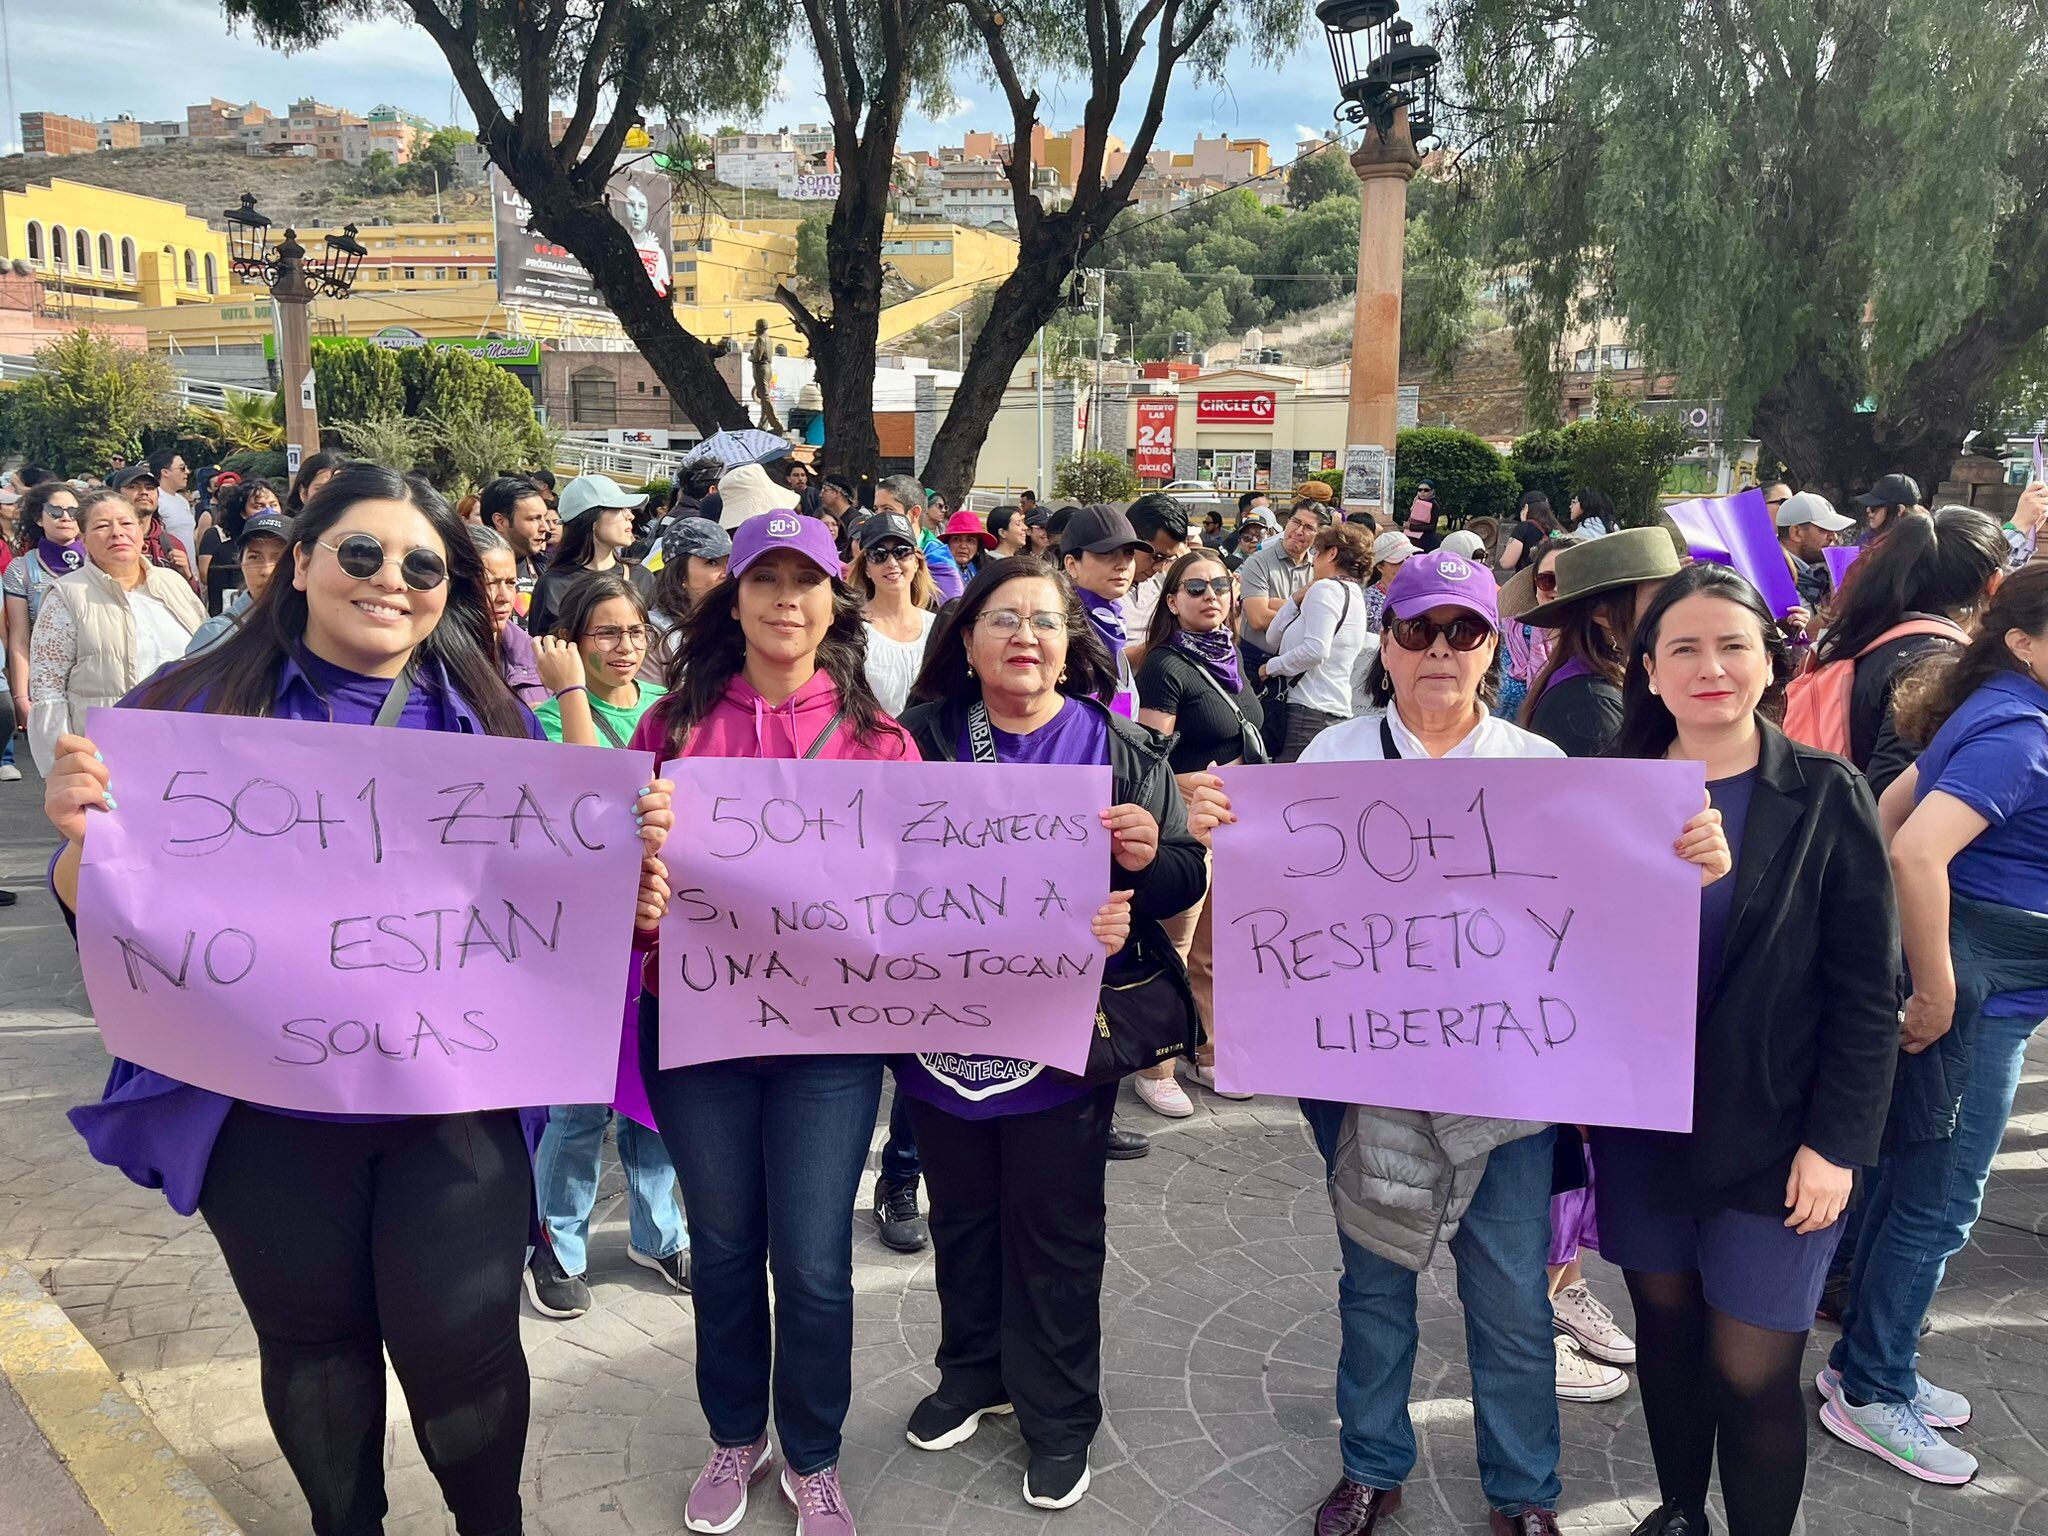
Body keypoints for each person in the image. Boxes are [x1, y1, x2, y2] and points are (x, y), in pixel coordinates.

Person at [47, 462, 673, 1536]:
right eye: (362, 552)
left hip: (451, 1108)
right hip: (265, 1117)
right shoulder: (184, 713)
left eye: (423, 566)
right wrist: (77, 847)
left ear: (448, 591)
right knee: (312, 1346)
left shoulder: (501, 734)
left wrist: (630, 896)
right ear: (300, 562)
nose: (392, 579)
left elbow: (556, 931)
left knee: (464, 1347)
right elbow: (100, 914)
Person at [1298, 552, 1729, 1536]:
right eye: (1418, 630)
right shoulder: (1330, 759)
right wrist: (1225, 832)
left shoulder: (1537, 766)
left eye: (1464, 631)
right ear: (1386, 644)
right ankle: (1370, 1466)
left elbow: (1598, 908)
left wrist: (1685, 866)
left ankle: (1523, 1490)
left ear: (1492, 647)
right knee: (1375, 1282)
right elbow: (1285, 905)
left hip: (1503, 1076)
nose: (1439, 651)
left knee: (1508, 1294)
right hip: (1367, 1069)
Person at [894, 561, 1211, 1513]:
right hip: (941, 1031)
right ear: (967, 638)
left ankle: (1061, 1414)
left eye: (1044, 621)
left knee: (1056, 1232)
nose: (1025, 637)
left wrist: (1144, 866)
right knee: (962, 1219)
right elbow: (863, 862)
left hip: (1067, 1039)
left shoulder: (1115, 745)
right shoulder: (918, 740)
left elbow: (1185, 873)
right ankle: (972, 1374)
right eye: (1003, 619)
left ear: (1072, 642)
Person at [1596, 562, 1896, 1536]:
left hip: (1774, 1134)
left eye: (1732, 645)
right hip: (1641, 1124)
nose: (1710, 667)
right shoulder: (1605, 794)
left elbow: (1867, 991)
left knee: (1751, 1368)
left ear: (1770, 661)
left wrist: (1836, 1145)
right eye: (1682, 647)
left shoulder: (1826, 794)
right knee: (1667, 1333)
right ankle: (1680, 1511)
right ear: (1648, 670)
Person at [629, 511, 915, 1535]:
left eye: (806, 580)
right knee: (721, 1250)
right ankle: (733, 1434)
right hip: (695, 1034)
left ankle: (816, 1455)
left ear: (835, 599)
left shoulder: (882, 742)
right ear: (732, 596)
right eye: (764, 578)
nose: (785, 598)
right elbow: (620, 890)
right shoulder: (669, 729)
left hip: (827, 1049)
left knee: (814, 1263)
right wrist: (639, 896)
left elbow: (921, 897)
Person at [1817, 566, 2048, 1487]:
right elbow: (1913, 847)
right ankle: (1874, 1389)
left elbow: (1890, 811)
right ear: (2023, 642)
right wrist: (1939, 984)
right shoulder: (2019, 731)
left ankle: (1863, 1365)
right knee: (1941, 1201)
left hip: (1981, 979)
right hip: (1980, 992)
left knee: (1907, 1182)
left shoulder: (1998, 706)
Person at [525, 571, 691, 1318]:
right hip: (582, 938)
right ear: (571, 641)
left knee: (654, 1093)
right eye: (606, 633)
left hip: (659, 929)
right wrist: (568, 692)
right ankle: (557, 1243)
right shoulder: (546, 715)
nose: (625, 646)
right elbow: (584, 798)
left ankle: (659, 1232)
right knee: (579, 1103)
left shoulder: (667, 708)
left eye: (635, 631)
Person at [1132, 550, 1262, 1115]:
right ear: (1172, 601)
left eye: (1220, 585)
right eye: (1195, 588)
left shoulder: (1231, 655)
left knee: (1213, 950)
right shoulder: (1165, 665)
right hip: (1187, 828)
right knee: (1175, 947)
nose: (1211, 595)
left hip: (1233, 824)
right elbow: (1147, 754)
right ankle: (1154, 1065)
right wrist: (1187, 785)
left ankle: (1204, 1051)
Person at [1796, 505, 2010, 797]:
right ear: (1994, 583)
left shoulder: (1867, 631)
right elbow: (1889, 788)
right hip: (1857, 820)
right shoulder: (1939, 660)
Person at [26, 489, 207, 774]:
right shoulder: (67, 595)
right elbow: (48, 691)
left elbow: (210, 655)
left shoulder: (173, 583)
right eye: (102, 526)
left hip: (187, 749)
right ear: (84, 539)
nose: (117, 533)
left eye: (126, 523)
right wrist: (64, 768)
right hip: (109, 761)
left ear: (141, 531)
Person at [1515, 528, 1682, 757]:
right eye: (1659, 598)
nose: (1676, 607)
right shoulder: (1588, 705)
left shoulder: (1616, 678)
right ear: (1602, 613)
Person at [1258, 522, 1375, 761]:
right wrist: (1295, 599)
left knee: (1291, 783)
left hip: (1306, 712)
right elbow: (1273, 636)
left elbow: (1316, 650)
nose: (1312, 560)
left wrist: (1270, 668)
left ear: (1332, 554)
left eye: (1317, 552)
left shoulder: (1325, 589)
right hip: (1330, 710)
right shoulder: (1353, 594)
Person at [5, 481, 84, 731]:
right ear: (39, 518)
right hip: (47, 683)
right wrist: (21, 696)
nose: (66, 518)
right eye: (55, 511)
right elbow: (20, 638)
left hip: (94, 675)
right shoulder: (21, 570)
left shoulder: (100, 562)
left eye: (73, 511)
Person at [527, 474, 645, 639]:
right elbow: (542, 648)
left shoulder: (642, 577)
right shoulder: (553, 585)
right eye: (618, 508)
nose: (630, 515)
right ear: (591, 519)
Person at [1060, 505, 1149, 719]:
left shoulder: (1110, 620)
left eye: (1129, 553)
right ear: (1072, 565)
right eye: (1106, 553)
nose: (1122, 564)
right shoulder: (1061, 626)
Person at [852, 510, 938, 717]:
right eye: (879, 554)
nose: (891, 563)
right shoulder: (851, 630)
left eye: (901, 552)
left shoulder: (938, 627)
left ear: (916, 562)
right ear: (866, 569)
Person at [1235, 497, 1327, 671]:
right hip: (1254, 661)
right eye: (1296, 522)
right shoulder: (1258, 562)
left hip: (1296, 663)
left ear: (1319, 535)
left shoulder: (1318, 570)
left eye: (1308, 528)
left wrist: (1278, 605)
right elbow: (1258, 619)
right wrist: (1306, 615)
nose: (1298, 531)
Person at [185, 510, 293, 657]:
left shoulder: (315, 629)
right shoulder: (217, 636)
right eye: (255, 557)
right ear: (241, 564)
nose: (267, 571)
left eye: (279, 558)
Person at [466, 524, 548, 707]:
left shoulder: (536, 655)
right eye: (490, 584)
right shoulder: (431, 662)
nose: (504, 597)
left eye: (511, 583)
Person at [645, 516, 732, 682]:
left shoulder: (737, 623)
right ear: (680, 574)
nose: (726, 573)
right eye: (712, 562)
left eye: (729, 562)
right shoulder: (654, 634)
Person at [196, 477, 281, 616]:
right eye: (258, 506)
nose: (268, 511)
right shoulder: (223, 552)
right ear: (242, 512)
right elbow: (219, 605)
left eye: (273, 505)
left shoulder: (292, 545)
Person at [874, 474, 964, 601]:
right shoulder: (872, 548)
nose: (878, 516)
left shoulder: (937, 556)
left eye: (887, 509)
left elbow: (952, 608)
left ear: (914, 513)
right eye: (876, 509)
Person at [1123, 492, 1194, 646]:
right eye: (1157, 557)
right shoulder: (1098, 588)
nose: (1159, 568)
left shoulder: (1163, 583)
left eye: (1168, 559)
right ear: (1131, 538)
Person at [481, 474, 551, 621]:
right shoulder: (470, 570)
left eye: (544, 517)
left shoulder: (547, 570)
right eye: (534, 519)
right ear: (501, 521)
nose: (545, 527)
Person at [1773, 490, 1855, 613]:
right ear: (1796, 533)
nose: (1834, 536)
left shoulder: (1809, 573)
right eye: (1823, 529)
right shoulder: (1773, 575)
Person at [146, 449, 197, 563]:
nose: (187, 472)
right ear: (165, 472)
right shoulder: (156, 500)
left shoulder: (182, 501)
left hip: (189, 568)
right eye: (182, 468)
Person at [1499, 491, 1560, 573]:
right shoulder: (1557, 529)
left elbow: (1506, 563)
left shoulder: (1523, 528)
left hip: (1530, 578)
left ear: (1526, 507)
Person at [1857, 472, 1922, 546]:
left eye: (1876, 506)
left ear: (1899, 510)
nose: (1868, 510)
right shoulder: (1869, 537)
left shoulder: (1913, 547)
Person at [283, 449, 346, 517]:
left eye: (336, 488)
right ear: (303, 493)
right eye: (319, 489)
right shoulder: (287, 523)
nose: (328, 495)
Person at [942, 509, 996, 584]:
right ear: (947, 543)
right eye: (957, 539)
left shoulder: (986, 573)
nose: (963, 546)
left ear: (978, 547)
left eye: (970, 540)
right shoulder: (935, 572)